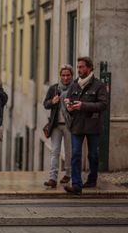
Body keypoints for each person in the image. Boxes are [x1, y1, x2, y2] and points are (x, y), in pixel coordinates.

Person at [64, 57, 108, 195]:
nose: (79, 70)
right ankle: (76, 185)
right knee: (76, 154)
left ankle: (92, 179)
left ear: (89, 68)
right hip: (76, 125)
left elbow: (103, 104)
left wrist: (83, 106)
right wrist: (69, 106)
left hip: (93, 125)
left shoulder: (99, 85)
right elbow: (70, 100)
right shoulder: (74, 84)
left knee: (93, 155)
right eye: (78, 67)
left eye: (82, 67)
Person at [43, 65, 74, 188]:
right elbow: (45, 104)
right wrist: (52, 102)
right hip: (55, 125)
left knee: (69, 152)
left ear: (71, 76)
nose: (65, 78)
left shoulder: (75, 88)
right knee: (54, 151)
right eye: (63, 75)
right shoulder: (54, 89)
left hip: (69, 125)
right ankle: (52, 178)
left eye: (68, 75)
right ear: (60, 76)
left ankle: (68, 174)